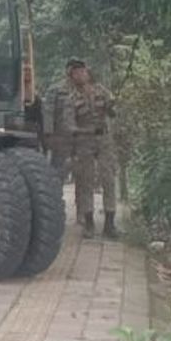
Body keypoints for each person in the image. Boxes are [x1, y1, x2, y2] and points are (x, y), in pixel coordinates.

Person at [63, 59, 120, 238]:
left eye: (82, 71)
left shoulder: (101, 91)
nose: (80, 74)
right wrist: (86, 131)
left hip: (104, 141)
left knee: (108, 179)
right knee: (86, 180)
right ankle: (88, 223)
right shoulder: (71, 99)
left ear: (87, 72)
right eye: (76, 72)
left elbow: (113, 112)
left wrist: (112, 106)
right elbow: (69, 126)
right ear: (72, 77)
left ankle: (110, 223)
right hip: (84, 143)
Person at [40, 61, 77, 180]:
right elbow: (48, 112)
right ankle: (56, 194)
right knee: (58, 168)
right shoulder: (56, 89)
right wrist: (48, 134)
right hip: (61, 137)